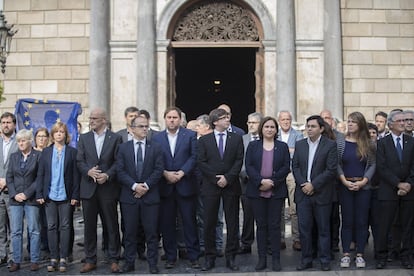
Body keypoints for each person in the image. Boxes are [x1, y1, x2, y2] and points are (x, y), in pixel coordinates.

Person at [153, 107, 200, 269]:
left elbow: (194, 157)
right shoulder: (156, 138)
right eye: (169, 117)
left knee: (189, 222)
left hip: (185, 185)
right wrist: (165, 173)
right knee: (167, 224)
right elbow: (155, 159)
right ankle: (171, 256)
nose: (172, 120)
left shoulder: (190, 135)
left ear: (180, 120)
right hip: (165, 186)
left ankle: (193, 255)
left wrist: (181, 173)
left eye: (175, 117)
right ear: (164, 119)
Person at [197, 108, 244, 271]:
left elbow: (239, 160)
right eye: (223, 118)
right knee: (209, 222)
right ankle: (209, 257)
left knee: (232, 222)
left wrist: (228, 178)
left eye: (227, 117)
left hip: (231, 186)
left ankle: (231, 257)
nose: (227, 120)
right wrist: (215, 178)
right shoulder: (204, 140)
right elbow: (201, 162)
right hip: (211, 186)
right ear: (215, 122)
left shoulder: (237, 139)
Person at [76, 108, 122, 273]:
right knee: (89, 227)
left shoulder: (115, 138)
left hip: (108, 188)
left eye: (95, 118)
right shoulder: (84, 138)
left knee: (111, 225)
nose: (91, 120)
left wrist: (108, 175)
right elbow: (79, 160)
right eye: (90, 118)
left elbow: (118, 161)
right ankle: (90, 259)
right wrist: (88, 171)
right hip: (88, 188)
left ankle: (114, 258)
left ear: (104, 120)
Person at [116, 115, 164, 274]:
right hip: (129, 197)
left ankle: (152, 263)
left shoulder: (155, 147)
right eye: (141, 126)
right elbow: (120, 171)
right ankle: (129, 263)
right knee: (129, 233)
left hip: (150, 197)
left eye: (146, 126)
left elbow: (158, 170)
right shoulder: (123, 148)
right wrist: (135, 186)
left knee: (151, 233)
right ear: (132, 128)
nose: (145, 129)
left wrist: (146, 186)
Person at [292, 115, 338, 271]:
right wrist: (304, 184)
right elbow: (295, 167)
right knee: (304, 229)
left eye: (313, 126)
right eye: (308, 126)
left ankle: (325, 260)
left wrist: (314, 185)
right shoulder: (300, 145)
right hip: (303, 193)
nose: (309, 129)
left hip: (322, 194)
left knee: (324, 229)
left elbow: (331, 170)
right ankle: (306, 259)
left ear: (321, 129)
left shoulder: (330, 145)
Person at [245, 116, 290, 271]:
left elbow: (286, 167)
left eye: (272, 127)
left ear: (276, 130)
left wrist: (272, 182)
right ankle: (262, 259)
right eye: (266, 127)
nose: (269, 129)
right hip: (256, 191)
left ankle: (276, 259)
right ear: (261, 129)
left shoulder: (282, 146)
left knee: (274, 225)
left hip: (276, 191)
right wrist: (260, 182)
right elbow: (249, 166)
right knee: (261, 225)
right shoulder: (253, 146)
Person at [36, 122, 80, 272]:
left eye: (62, 132)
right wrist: (40, 193)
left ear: (65, 135)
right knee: (51, 226)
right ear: (52, 135)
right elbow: (41, 174)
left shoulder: (72, 152)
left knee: (66, 226)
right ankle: (53, 257)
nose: (59, 134)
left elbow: (75, 176)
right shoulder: (46, 152)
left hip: (66, 196)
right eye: (56, 132)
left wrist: (75, 195)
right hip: (49, 196)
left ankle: (63, 257)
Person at [375, 110, 414, 269]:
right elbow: (381, 167)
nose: (404, 123)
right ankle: (382, 256)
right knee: (385, 225)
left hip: (409, 191)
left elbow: (413, 166)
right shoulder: (383, 143)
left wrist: (408, 184)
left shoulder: (411, 141)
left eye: (405, 121)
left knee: (407, 225)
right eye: (400, 121)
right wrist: (398, 183)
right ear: (390, 124)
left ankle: (406, 256)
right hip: (388, 190)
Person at [337, 112, 376, 268]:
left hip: (363, 186)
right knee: (347, 220)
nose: (350, 124)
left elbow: (373, 164)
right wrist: (344, 181)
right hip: (345, 186)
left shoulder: (369, 143)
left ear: (361, 124)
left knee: (361, 221)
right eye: (349, 121)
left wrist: (364, 181)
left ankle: (360, 254)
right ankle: (346, 253)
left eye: (354, 122)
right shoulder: (341, 142)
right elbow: (337, 164)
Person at [6, 129, 42, 272]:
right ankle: (16, 260)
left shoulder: (38, 156)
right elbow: (9, 177)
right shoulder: (14, 156)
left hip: (31, 199)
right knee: (16, 231)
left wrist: (26, 194)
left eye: (23, 140)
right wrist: (14, 194)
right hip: (15, 200)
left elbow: (40, 177)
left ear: (30, 141)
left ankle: (34, 260)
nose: (20, 143)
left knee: (34, 230)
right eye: (18, 141)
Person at [277, 110, 303, 251]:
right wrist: (289, 150)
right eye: (283, 119)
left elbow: (299, 153)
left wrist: (285, 151)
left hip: (292, 173)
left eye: (288, 119)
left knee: (294, 208)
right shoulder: (275, 134)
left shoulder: (298, 135)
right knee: (279, 208)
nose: (286, 122)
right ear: (279, 121)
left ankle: (297, 238)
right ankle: (280, 238)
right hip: (279, 173)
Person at [238, 112, 262, 255]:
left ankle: (265, 244)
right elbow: (238, 160)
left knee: (263, 216)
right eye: (249, 122)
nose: (250, 125)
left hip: (264, 183)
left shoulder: (266, 139)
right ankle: (246, 243)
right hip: (246, 182)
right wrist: (246, 174)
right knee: (247, 215)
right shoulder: (242, 140)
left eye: (254, 122)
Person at [0, 112, 18, 266]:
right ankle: (1, 255)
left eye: (8, 122)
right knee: (0, 227)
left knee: (14, 227)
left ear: (14, 124)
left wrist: (7, 181)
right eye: (3, 122)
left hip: (12, 191)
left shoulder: (19, 142)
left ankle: (13, 256)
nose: (6, 125)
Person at [33, 128, 50, 259]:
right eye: (39, 136)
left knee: (46, 222)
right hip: (31, 193)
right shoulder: (30, 152)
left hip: (47, 193)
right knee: (34, 223)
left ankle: (47, 247)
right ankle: (34, 249)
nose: (41, 139)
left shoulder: (50, 152)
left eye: (44, 136)